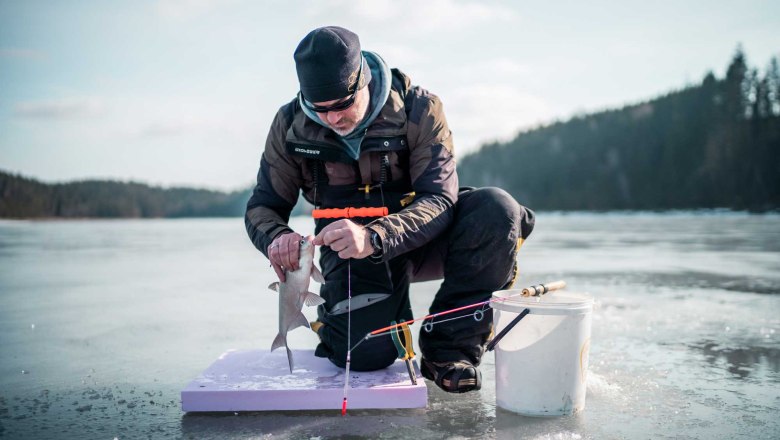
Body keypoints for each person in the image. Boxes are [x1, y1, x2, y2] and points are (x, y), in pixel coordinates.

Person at [245, 26, 535, 393]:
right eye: (320, 109)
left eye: (341, 106)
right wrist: (278, 237)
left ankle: (447, 350)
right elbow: (262, 206)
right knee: (365, 356)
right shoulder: (290, 124)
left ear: (362, 80)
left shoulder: (420, 109)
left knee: (496, 209)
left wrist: (375, 236)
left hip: (421, 239)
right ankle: (346, 324)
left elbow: (440, 198)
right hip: (349, 255)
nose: (332, 119)